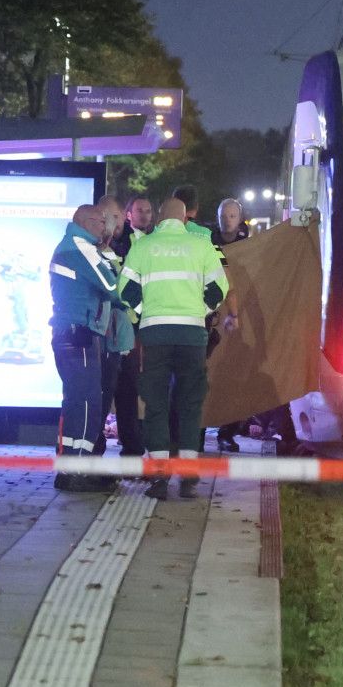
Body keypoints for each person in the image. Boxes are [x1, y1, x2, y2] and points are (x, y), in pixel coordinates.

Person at [120, 197, 229, 499]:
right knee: (190, 403)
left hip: (154, 335)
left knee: (155, 404)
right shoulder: (201, 245)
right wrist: (200, 310)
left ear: (158, 217)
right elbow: (220, 288)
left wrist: (146, 311)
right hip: (192, 336)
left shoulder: (143, 246)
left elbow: (125, 289)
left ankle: (158, 478)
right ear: (183, 219)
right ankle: (189, 473)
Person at [49, 204, 121, 493]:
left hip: (68, 333)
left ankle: (71, 468)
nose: (106, 227)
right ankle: (77, 471)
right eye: (103, 221)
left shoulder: (69, 245)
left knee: (76, 402)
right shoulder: (81, 247)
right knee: (89, 403)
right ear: (90, 221)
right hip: (79, 335)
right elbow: (111, 285)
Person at [90, 197, 136, 459]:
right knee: (103, 396)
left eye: (117, 218)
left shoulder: (125, 245)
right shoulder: (97, 251)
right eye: (111, 218)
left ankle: (130, 448)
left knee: (125, 395)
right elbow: (116, 290)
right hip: (107, 336)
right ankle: (94, 452)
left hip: (121, 336)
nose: (116, 223)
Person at [109, 196, 152, 455]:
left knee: (129, 385)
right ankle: (131, 441)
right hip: (121, 322)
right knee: (122, 384)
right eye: (140, 211)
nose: (145, 215)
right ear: (128, 214)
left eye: (149, 211)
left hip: (133, 323)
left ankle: (132, 441)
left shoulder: (148, 241)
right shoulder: (123, 240)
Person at [211, 199, 252, 452]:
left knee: (232, 376)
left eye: (232, 215)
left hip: (238, 317)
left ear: (239, 218)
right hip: (212, 314)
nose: (227, 220)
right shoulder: (206, 241)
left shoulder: (249, 245)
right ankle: (199, 428)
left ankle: (227, 432)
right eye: (224, 215)